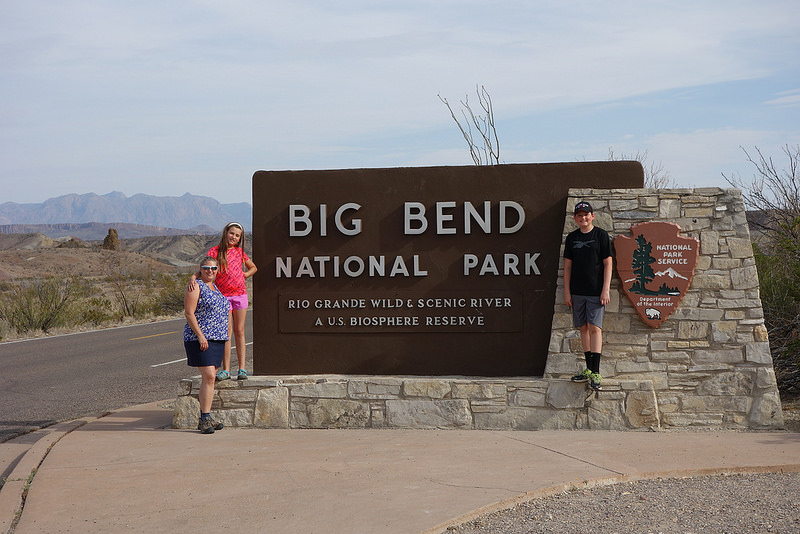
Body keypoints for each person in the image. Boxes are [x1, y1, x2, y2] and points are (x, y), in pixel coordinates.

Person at [191, 222, 257, 381]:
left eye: (237, 235)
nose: (233, 237)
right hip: (223, 297)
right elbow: (204, 270)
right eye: (231, 233)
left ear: (240, 238)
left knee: (240, 331)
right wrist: (193, 278)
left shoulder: (240, 253)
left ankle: (242, 369)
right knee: (226, 333)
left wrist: (244, 275)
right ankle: (226, 369)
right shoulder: (214, 252)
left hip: (240, 295)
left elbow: (253, 267)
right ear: (225, 233)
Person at [563, 201, 612, 391]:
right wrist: (567, 291)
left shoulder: (601, 235)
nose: (583, 218)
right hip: (577, 291)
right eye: (579, 215)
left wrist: (605, 289)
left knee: (595, 328)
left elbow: (608, 264)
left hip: (596, 291)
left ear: (592, 216)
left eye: (586, 214)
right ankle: (589, 370)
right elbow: (568, 266)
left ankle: (596, 372)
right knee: (582, 328)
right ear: (575, 218)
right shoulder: (572, 238)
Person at [184, 256, 229, 434]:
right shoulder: (196, 286)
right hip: (200, 338)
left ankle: (207, 416)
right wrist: (201, 336)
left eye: (213, 268)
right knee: (209, 376)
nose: (210, 271)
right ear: (200, 269)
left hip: (217, 338)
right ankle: (204, 418)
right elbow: (189, 313)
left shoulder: (215, 287)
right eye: (206, 268)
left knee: (210, 379)